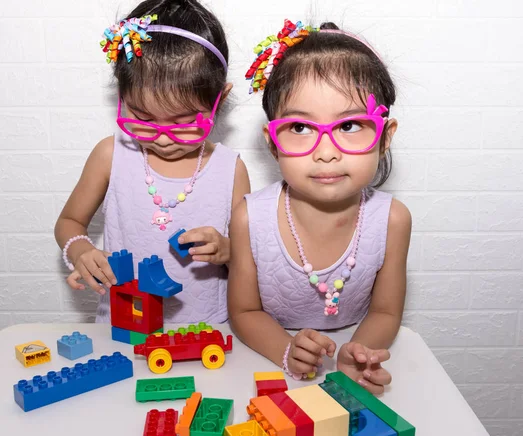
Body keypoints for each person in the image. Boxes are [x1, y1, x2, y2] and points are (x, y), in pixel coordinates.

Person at [228, 20, 411, 393]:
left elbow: (385, 311)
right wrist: (286, 350)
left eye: (349, 126)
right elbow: (244, 312)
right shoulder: (250, 217)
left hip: (349, 345)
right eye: (300, 128)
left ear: (385, 137)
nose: (326, 152)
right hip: (261, 365)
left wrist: (357, 353)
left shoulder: (392, 219)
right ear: (273, 141)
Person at [54, 0, 250, 323]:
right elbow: (69, 222)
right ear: (123, 95)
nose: (161, 137)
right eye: (143, 117)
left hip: (207, 331)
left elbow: (250, 260)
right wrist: (81, 251)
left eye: (184, 122)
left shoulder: (230, 170)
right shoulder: (110, 155)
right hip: (123, 326)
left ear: (220, 100)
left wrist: (229, 251)